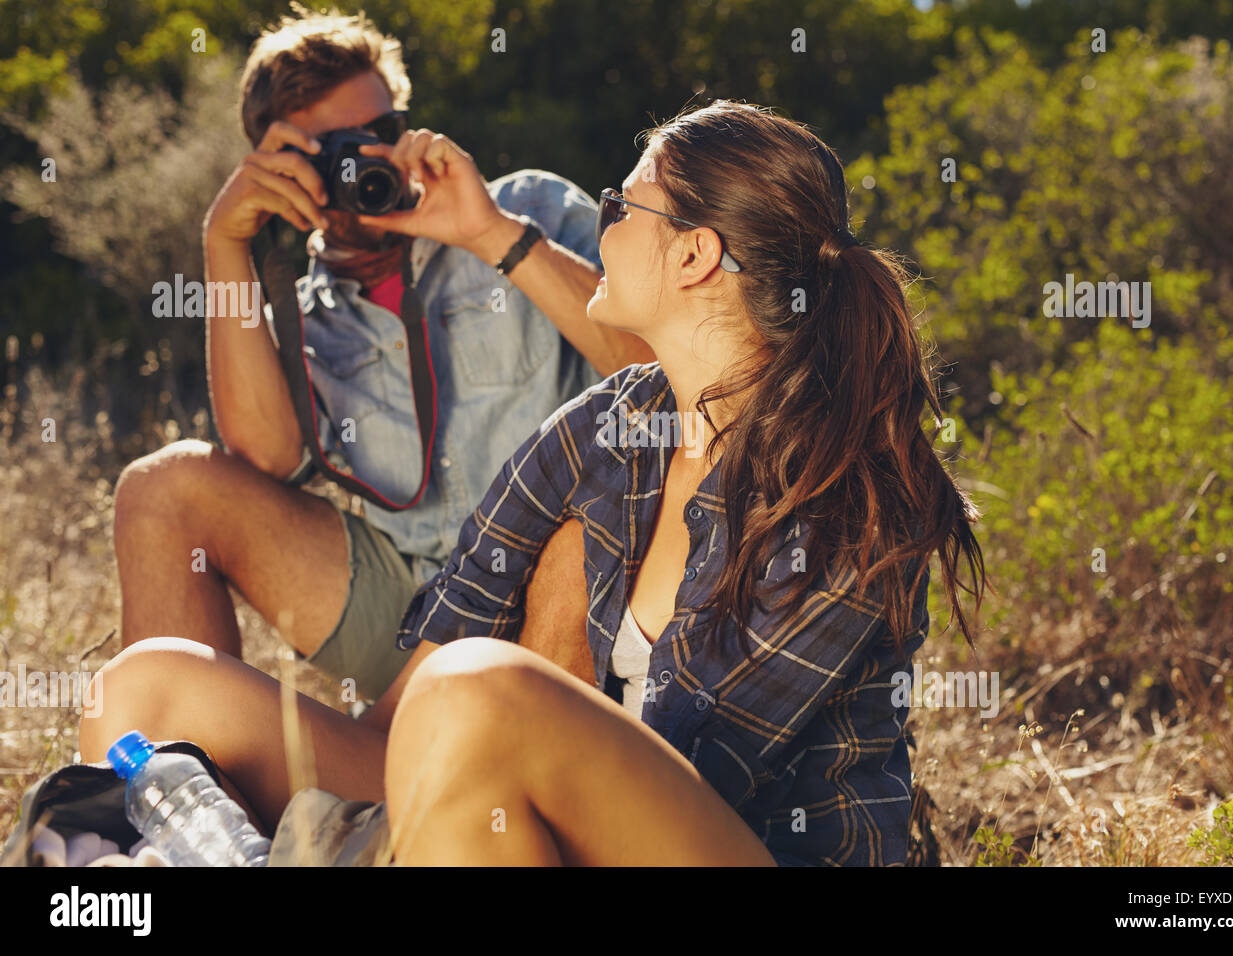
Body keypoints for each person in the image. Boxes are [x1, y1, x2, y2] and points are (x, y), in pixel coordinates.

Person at [81, 99, 986, 866]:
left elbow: (707, 772)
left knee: (477, 693)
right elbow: (407, 710)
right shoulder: (602, 432)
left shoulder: (845, 486)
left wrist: (472, 761)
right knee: (147, 688)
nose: (602, 223)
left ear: (694, 256)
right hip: (550, 815)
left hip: (731, 841)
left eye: (619, 207)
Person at [110, 6, 652, 723]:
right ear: (281, 164)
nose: (365, 161)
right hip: (407, 607)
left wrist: (490, 235)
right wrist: (224, 246)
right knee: (161, 488)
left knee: (577, 539)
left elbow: (657, 360)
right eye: (332, 149)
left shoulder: (524, 209)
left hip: (566, 587)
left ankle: (458, 751)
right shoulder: (297, 311)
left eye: (381, 134)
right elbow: (264, 460)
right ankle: (169, 790)